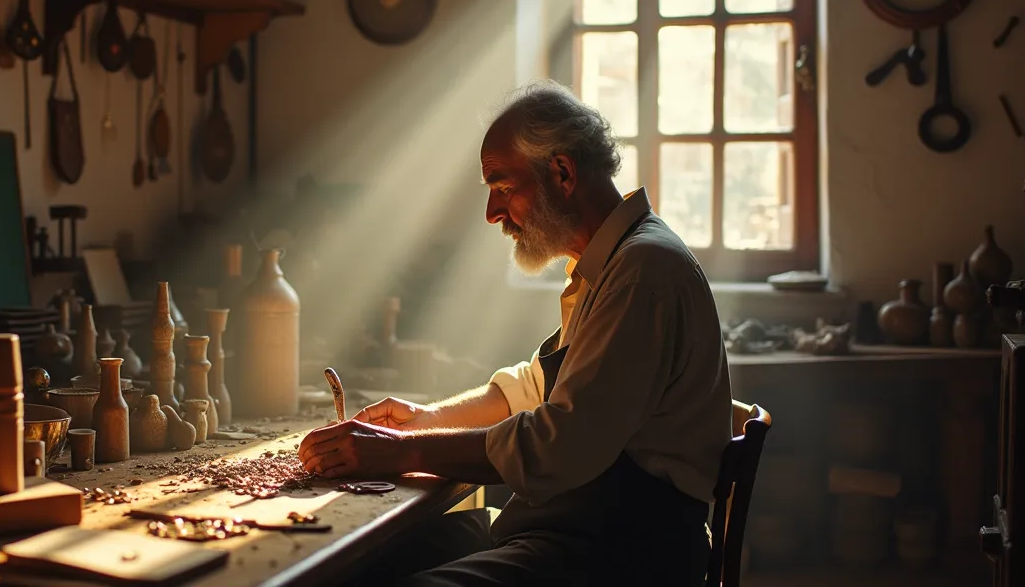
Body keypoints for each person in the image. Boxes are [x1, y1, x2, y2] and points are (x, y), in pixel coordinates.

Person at [297, 80, 734, 585]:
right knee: (369, 560)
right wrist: (422, 421)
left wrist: (402, 452)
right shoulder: (609, 264)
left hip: (619, 551)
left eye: (502, 186)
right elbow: (533, 389)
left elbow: (560, 445)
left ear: (563, 172)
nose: (492, 213)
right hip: (570, 526)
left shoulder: (643, 271)